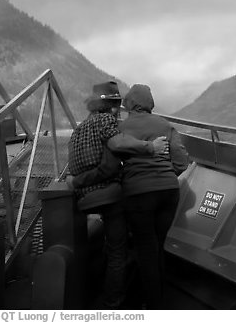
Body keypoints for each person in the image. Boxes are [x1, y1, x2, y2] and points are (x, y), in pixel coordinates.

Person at [67, 81, 169, 309]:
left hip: (84, 200)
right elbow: (111, 164)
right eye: (115, 105)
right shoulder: (106, 121)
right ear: (110, 106)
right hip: (109, 197)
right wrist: (150, 147)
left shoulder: (78, 130)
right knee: (119, 251)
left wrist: (76, 182)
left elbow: (76, 169)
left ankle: (99, 289)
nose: (117, 111)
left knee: (109, 242)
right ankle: (114, 302)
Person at [118, 84, 189, 309]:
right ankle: (160, 298)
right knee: (157, 245)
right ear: (150, 103)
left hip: (139, 194)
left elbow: (112, 161)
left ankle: (152, 305)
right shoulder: (165, 126)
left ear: (129, 104)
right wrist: (166, 174)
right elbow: (181, 162)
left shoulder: (122, 127)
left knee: (146, 249)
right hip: (168, 192)